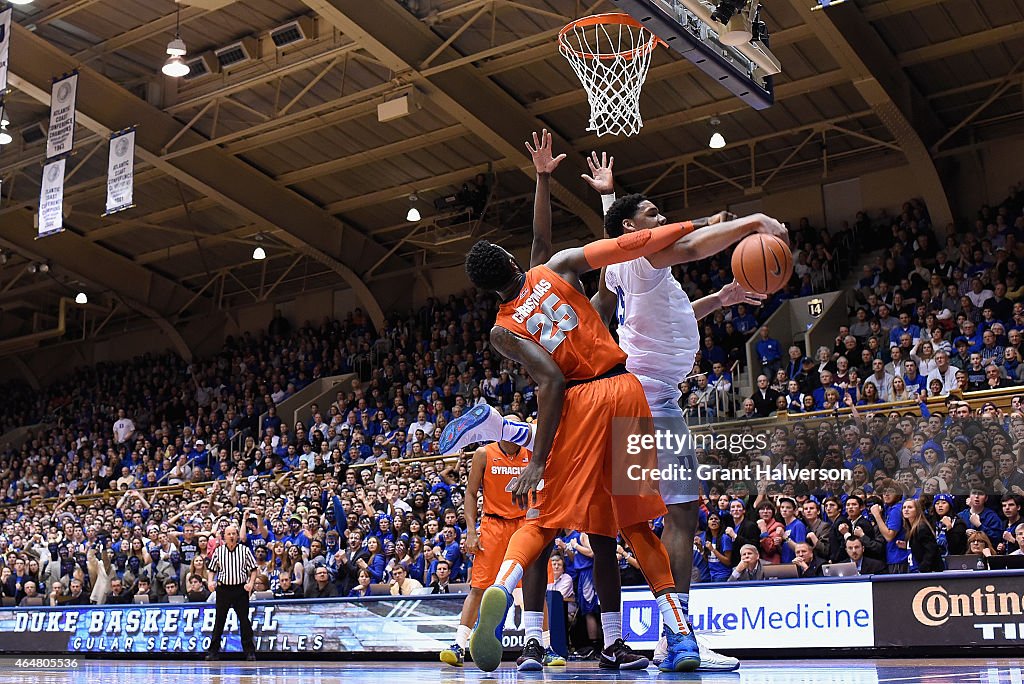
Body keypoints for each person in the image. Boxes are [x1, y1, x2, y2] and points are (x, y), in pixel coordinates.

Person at [441, 139, 782, 672]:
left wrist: (537, 458)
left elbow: (551, 380)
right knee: (639, 523)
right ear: (513, 260)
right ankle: (682, 637)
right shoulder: (556, 267)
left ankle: (504, 586)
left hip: (578, 402)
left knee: (549, 515)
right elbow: (625, 246)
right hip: (621, 388)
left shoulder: (501, 330)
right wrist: (547, 179)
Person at [440, 438, 563, 670]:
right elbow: (470, 492)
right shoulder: (483, 454)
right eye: (509, 428)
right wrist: (470, 530)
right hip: (493, 525)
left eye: (519, 429)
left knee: (535, 587)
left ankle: (545, 647)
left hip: (528, 522)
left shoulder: (533, 451)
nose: (514, 433)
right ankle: (458, 645)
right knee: (479, 588)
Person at [206, 524, 258, 661]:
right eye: (229, 534)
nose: (231, 536)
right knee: (219, 621)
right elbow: (212, 569)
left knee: (244, 621)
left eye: (234, 533)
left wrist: (251, 583)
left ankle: (249, 652)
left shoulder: (244, 550)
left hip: (240, 589)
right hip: (223, 589)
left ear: (237, 536)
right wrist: (211, 581)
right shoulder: (219, 551)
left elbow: (253, 569)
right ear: (224, 536)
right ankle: (213, 652)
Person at [901, 498, 942, 572]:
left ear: (917, 510)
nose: (906, 510)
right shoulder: (910, 528)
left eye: (910, 507)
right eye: (904, 507)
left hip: (929, 572)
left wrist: (922, 570)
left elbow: (931, 550)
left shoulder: (921, 528)